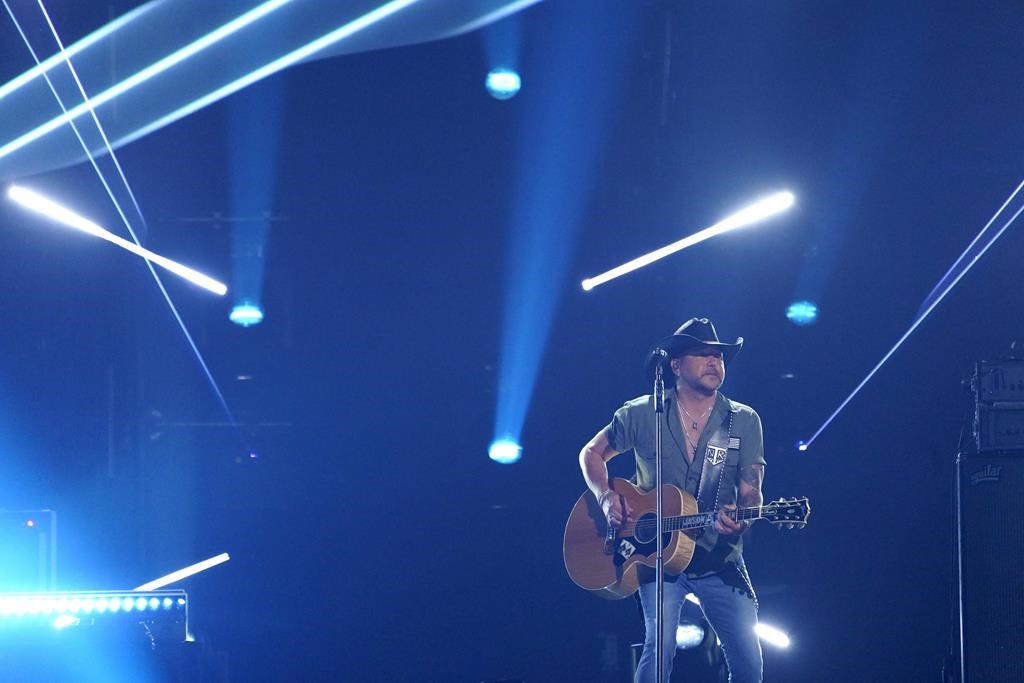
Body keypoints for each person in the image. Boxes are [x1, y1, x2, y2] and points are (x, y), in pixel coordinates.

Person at [578, 318, 766, 683]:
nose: (714, 362)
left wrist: (742, 516)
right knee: (658, 649)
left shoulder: (742, 421)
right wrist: (606, 497)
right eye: (702, 354)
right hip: (658, 557)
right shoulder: (641, 413)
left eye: (719, 356)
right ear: (675, 365)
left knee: (749, 664)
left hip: (719, 557)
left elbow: (751, 492)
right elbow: (591, 453)